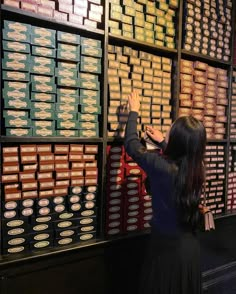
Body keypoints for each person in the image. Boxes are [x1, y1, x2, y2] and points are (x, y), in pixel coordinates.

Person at [124, 91, 206, 294]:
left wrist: (133, 112)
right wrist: (162, 142)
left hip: (166, 251)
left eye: (170, 129)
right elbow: (182, 155)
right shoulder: (198, 166)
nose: (167, 130)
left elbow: (132, 145)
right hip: (189, 250)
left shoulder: (161, 166)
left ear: (176, 139)